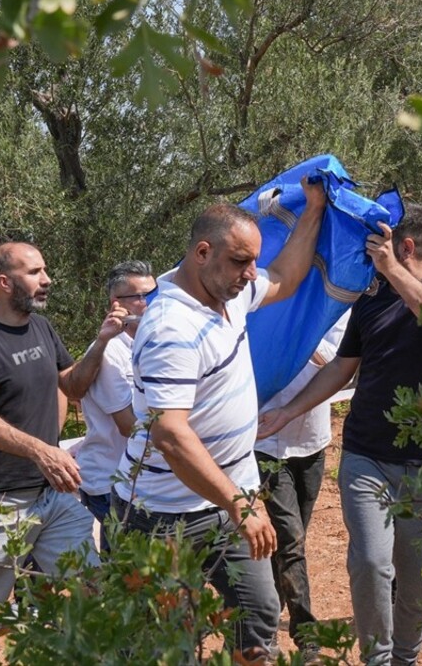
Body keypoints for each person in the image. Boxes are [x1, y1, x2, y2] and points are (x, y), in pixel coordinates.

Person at [112, 184, 327, 660]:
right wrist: (241, 505)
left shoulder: (228, 292)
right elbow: (170, 434)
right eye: (240, 262)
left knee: (258, 615)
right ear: (203, 253)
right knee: (172, 644)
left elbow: (286, 278)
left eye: (253, 261)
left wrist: (313, 211)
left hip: (229, 499)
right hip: (162, 518)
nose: (250, 274)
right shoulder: (171, 327)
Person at [259, 203, 422, 666]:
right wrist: (288, 410)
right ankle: (378, 658)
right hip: (367, 454)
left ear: (404, 247)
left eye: (379, 245)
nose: (370, 254)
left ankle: (404, 659)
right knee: (371, 563)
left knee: (418, 579)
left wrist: (390, 269)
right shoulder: (370, 299)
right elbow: (342, 367)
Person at [0, 241, 125, 610]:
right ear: (4, 283)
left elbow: (72, 385)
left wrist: (103, 341)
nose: (47, 279)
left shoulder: (42, 328)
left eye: (44, 270)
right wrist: (42, 450)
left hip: (51, 496)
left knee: (94, 588)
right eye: (34, 272)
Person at [254, 311, 350, 662]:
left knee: (289, 542)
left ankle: (265, 618)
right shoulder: (264, 305)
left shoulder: (332, 307)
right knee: (290, 538)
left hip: (312, 441)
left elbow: (338, 361)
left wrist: (298, 333)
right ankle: (305, 636)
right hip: (264, 442)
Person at [66, 260, 153, 542]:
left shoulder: (154, 344)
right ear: (117, 303)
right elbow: (128, 425)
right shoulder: (108, 352)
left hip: (140, 481)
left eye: (152, 294)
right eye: (139, 296)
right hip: (111, 482)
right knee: (127, 570)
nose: (148, 302)